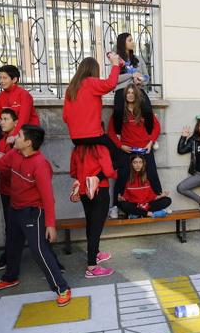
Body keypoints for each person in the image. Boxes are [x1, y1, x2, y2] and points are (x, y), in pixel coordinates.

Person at [0, 125, 71, 306]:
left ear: (28, 142)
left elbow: (48, 198)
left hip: (33, 212)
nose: (15, 138)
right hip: (15, 209)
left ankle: (62, 287)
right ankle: (10, 277)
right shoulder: (14, 154)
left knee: (39, 250)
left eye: (19, 135)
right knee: (12, 245)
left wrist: (50, 224)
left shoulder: (41, 164)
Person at [63, 54, 124, 199]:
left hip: (76, 139)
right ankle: (95, 179)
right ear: (93, 70)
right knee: (119, 157)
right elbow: (111, 84)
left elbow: (65, 117)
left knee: (86, 161)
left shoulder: (71, 88)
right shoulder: (91, 83)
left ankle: (80, 183)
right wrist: (115, 64)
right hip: (94, 135)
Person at [108, 83, 162, 216]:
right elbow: (110, 132)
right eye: (128, 93)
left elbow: (157, 127)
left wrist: (150, 143)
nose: (130, 95)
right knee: (122, 176)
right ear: (125, 95)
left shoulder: (144, 110)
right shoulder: (120, 112)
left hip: (144, 149)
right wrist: (121, 146)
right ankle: (115, 206)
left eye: (133, 93)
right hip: (127, 150)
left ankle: (158, 201)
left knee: (152, 174)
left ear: (137, 95)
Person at [70, 144, 117, 278]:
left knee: (90, 223)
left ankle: (95, 253)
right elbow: (108, 171)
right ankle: (92, 266)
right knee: (96, 228)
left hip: (83, 190)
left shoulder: (77, 148)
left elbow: (73, 171)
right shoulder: (101, 147)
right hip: (99, 189)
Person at [0, 108, 17, 271]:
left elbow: (7, 164)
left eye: (6, 119)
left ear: (15, 122)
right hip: (6, 190)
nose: (2, 122)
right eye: (1, 119)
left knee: (34, 228)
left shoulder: (21, 139)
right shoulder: (1, 141)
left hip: (22, 192)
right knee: (10, 226)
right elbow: (2, 165)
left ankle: (51, 260)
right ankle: (8, 257)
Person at [112, 32, 154, 139]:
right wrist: (131, 75)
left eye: (132, 40)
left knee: (148, 110)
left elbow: (147, 77)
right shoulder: (116, 59)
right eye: (129, 40)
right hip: (122, 89)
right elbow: (115, 79)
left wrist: (140, 80)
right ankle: (118, 134)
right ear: (123, 43)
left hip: (137, 89)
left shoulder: (139, 59)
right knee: (118, 110)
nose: (133, 42)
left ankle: (150, 136)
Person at [116, 154, 172, 218]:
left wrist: (162, 196)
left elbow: (152, 196)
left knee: (167, 200)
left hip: (147, 204)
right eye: (135, 162)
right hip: (135, 205)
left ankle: (138, 214)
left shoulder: (147, 177)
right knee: (124, 205)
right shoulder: (126, 177)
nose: (138, 165)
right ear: (131, 164)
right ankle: (150, 214)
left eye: (140, 162)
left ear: (143, 164)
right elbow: (125, 198)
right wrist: (121, 199)